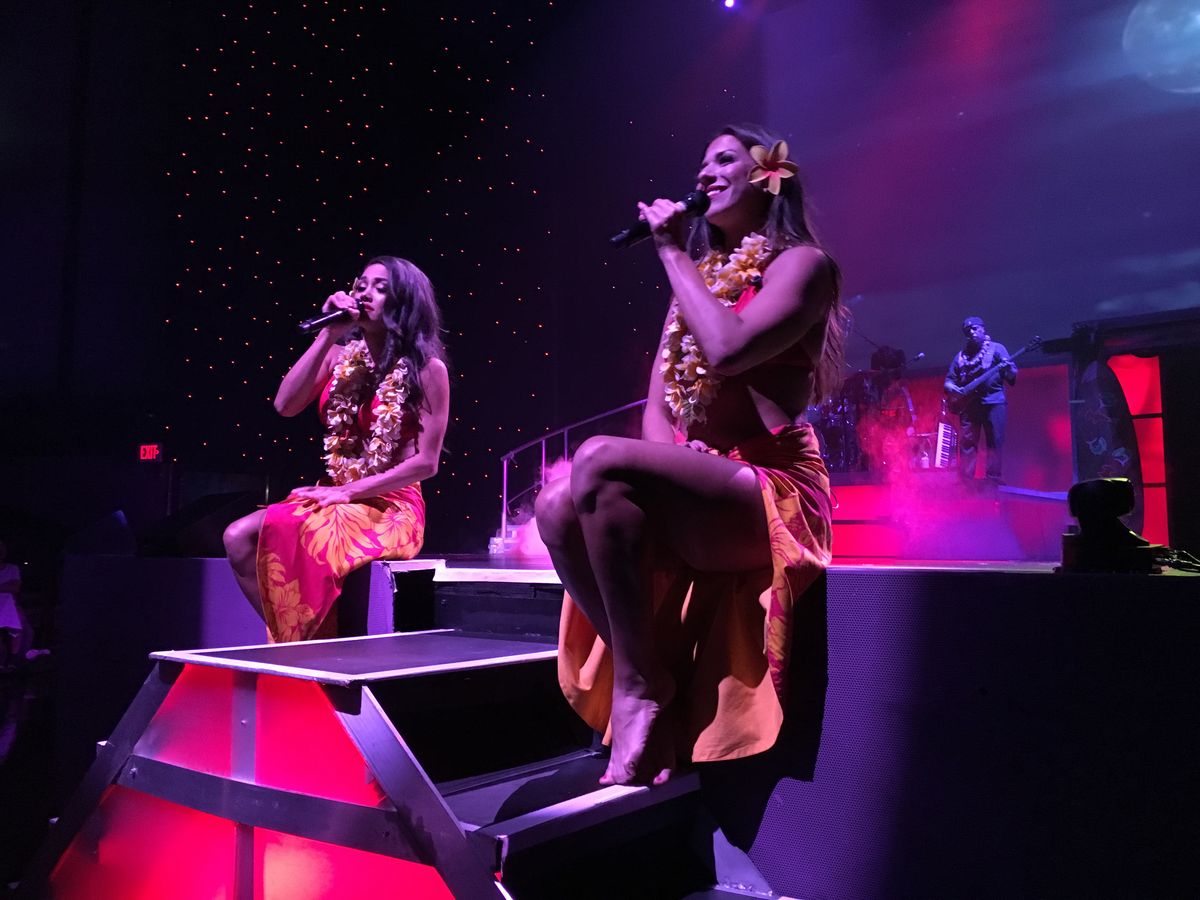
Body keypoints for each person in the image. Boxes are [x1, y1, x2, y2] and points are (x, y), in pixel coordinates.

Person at [535, 125, 847, 785]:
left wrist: (672, 250)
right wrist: (675, 466)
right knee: (556, 505)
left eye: (725, 160)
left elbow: (730, 349)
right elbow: (659, 409)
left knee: (595, 456)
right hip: (713, 483)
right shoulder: (697, 282)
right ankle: (647, 672)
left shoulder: (803, 265)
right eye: (701, 163)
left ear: (769, 176)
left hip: (774, 488)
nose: (704, 174)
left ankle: (637, 690)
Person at [223, 256, 449, 642]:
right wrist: (328, 334)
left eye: (380, 287)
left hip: (392, 507)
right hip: (336, 498)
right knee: (238, 536)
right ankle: (299, 644)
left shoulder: (426, 369)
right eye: (360, 285)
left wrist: (348, 492)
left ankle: (308, 648)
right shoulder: (338, 355)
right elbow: (285, 405)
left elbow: (426, 463)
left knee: (314, 534)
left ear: (405, 302)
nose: (365, 293)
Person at [944, 316, 1016, 481]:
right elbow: (949, 380)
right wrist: (952, 387)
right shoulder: (960, 356)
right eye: (968, 330)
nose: (972, 332)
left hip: (994, 402)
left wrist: (1008, 369)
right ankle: (966, 482)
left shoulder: (997, 348)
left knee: (995, 442)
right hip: (969, 406)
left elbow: (1011, 375)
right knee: (967, 442)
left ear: (983, 329)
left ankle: (992, 480)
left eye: (975, 328)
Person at [858, 346, 917, 476]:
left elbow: (909, 419)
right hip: (880, 435)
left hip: (897, 435)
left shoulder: (901, 392)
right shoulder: (874, 391)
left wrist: (906, 433)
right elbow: (869, 417)